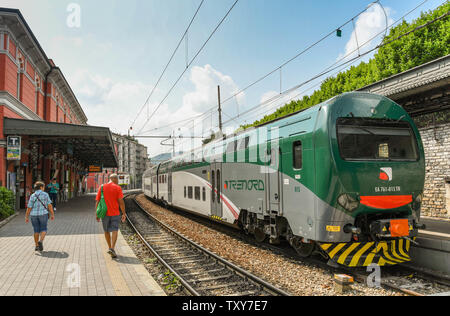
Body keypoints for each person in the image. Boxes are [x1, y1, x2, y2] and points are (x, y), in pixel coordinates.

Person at [95, 174, 126, 259]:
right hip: (115, 213)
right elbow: (121, 202)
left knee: (106, 231)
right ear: (114, 179)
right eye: (117, 179)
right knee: (115, 230)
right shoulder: (117, 188)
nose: (117, 181)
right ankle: (112, 248)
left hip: (104, 214)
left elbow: (97, 201)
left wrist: (97, 214)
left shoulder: (102, 187)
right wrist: (123, 213)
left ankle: (110, 247)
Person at [25, 182, 55, 252]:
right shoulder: (45, 194)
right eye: (43, 187)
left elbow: (29, 207)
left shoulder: (33, 195)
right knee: (43, 229)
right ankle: (41, 241)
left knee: (36, 230)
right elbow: (49, 205)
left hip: (34, 215)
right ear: (41, 187)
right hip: (43, 214)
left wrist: (26, 216)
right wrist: (52, 214)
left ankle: (36, 246)